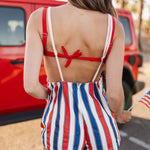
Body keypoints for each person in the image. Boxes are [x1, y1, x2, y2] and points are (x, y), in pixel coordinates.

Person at [24, 0, 131, 149]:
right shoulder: (114, 27)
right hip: (100, 127)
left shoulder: (40, 18)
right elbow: (114, 95)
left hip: (59, 126)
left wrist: (55, 94)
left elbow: (30, 86)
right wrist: (119, 113)